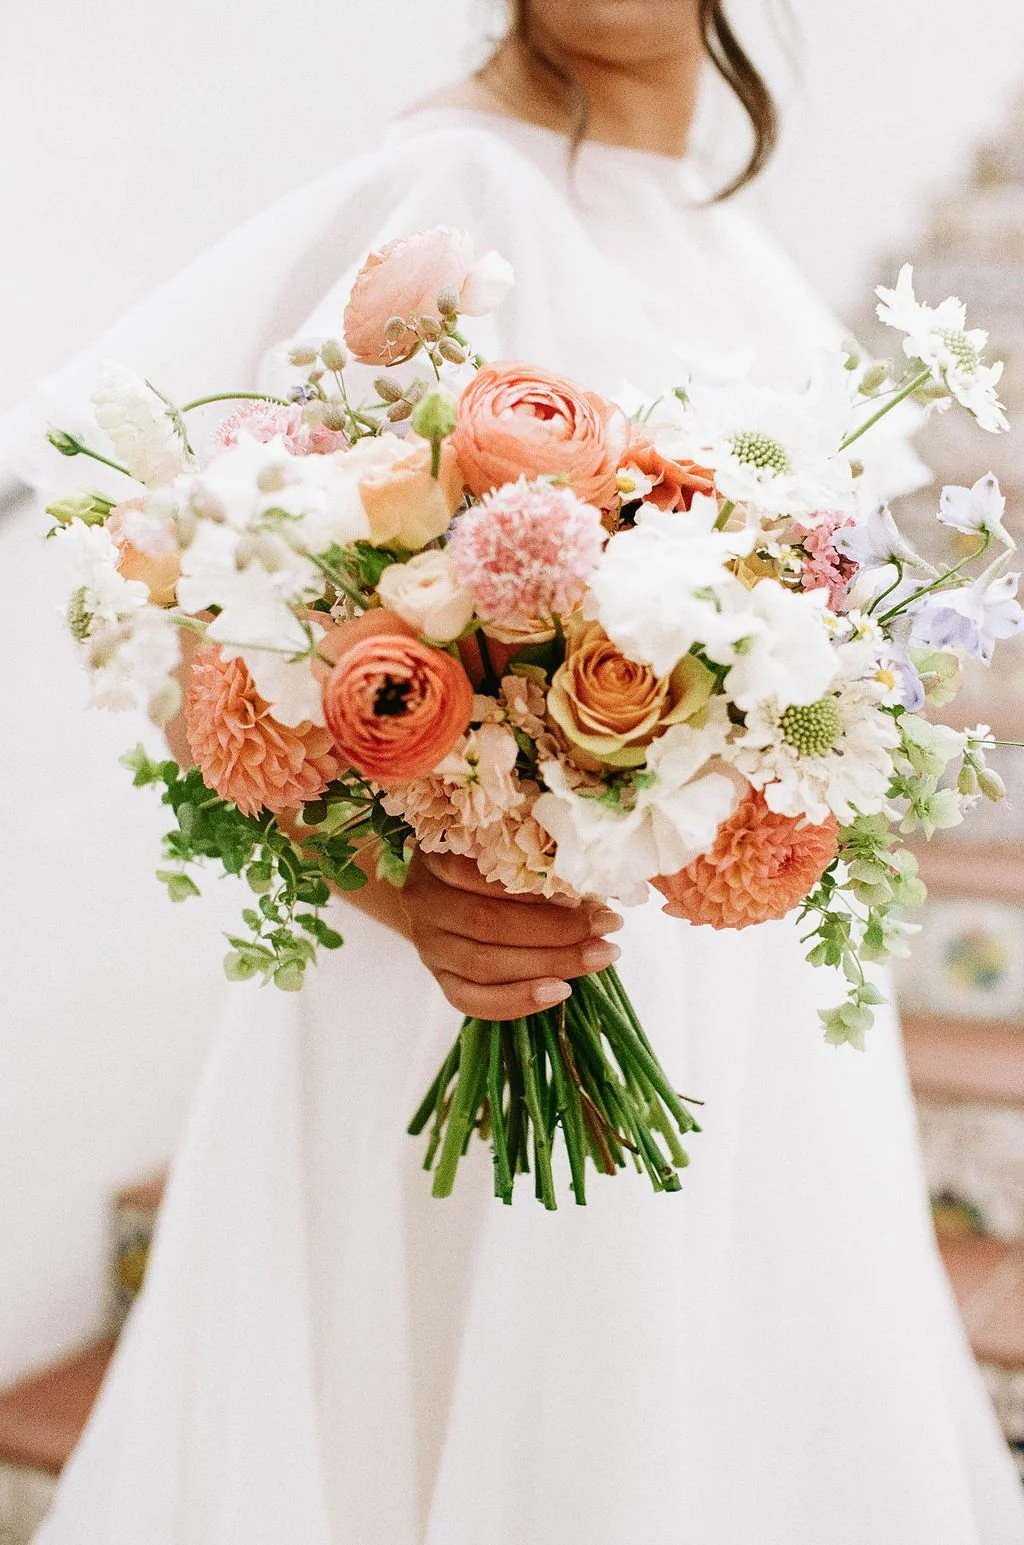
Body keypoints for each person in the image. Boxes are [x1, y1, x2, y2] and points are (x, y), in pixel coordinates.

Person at [5, 3, 1024, 1541]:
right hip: (465, 1000)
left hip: (735, 1019)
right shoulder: (448, 198)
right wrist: (398, 890)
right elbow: (181, 586)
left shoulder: (730, 248)